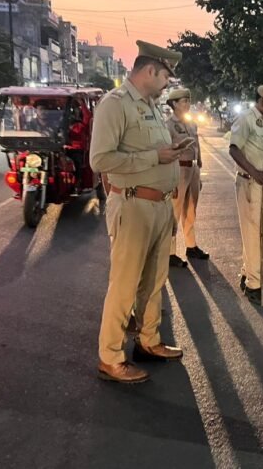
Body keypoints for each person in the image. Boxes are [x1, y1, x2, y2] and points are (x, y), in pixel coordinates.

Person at [90, 40, 184, 384]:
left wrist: (169, 156)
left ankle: (148, 340)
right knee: (125, 284)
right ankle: (110, 357)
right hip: (132, 205)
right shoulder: (115, 104)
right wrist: (155, 157)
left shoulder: (151, 106)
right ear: (150, 71)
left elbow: (153, 152)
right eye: (165, 77)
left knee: (154, 282)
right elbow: (100, 159)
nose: (166, 84)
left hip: (159, 205)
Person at [229, 84, 263, 305]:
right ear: (262, 101)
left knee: (255, 233)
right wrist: (254, 172)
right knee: (255, 234)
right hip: (252, 185)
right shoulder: (246, 119)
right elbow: (234, 149)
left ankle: (250, 273)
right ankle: (254, 285)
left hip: (262, 186)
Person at [165, 87, 209, 266]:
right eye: (184, 101)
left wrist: (199, 165)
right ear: (174, 104)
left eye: (188, 101)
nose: (187, 104)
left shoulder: (191, 123)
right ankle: (169, 252)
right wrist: (170, 179)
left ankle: (191, 245)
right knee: (174, 212)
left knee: (191, 209)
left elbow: (196, 144)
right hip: (178, 170)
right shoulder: (168, 125)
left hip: (193, 169)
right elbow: (166, 152)